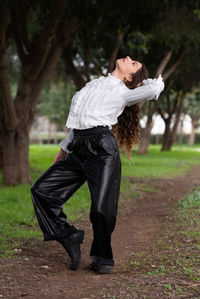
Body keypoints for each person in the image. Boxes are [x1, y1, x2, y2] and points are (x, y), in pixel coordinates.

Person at [31, 56, 164, 274]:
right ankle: (68, 235)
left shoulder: (124, 92)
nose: (128, 58)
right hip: (77, 147)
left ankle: (102, 257)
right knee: (41, 190)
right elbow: (78, 121)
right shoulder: (93, 84)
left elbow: (154, 88)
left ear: (129, 76)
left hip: (102, 149)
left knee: (102, 209)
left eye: (133, 63)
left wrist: (139, 82)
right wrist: (63, 149)